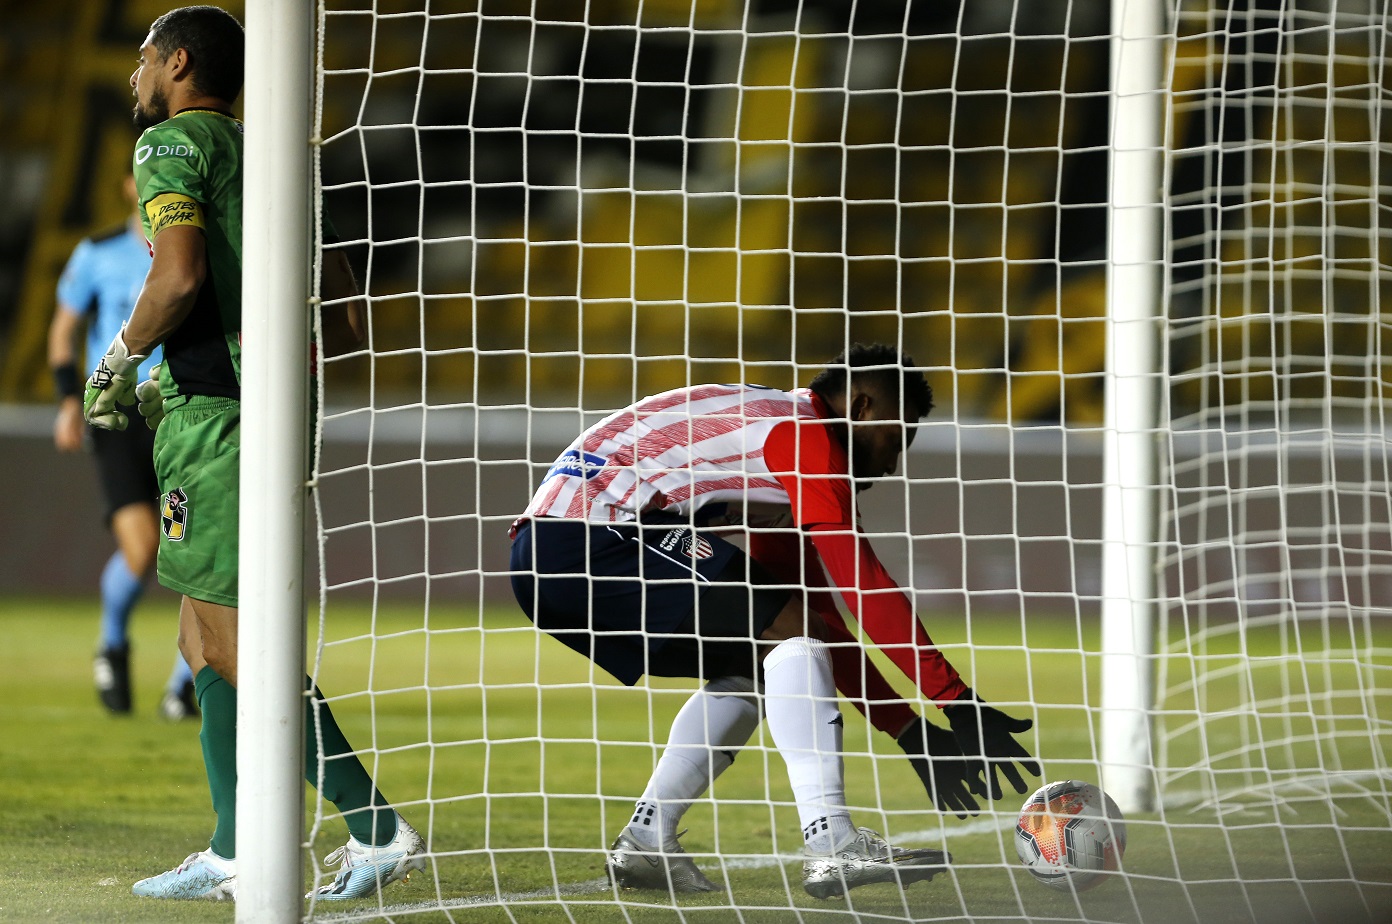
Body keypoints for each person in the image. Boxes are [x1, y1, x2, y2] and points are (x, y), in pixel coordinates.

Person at [82, 6, 425, 902]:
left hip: (221, 426)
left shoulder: (172, 146)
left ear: (180, 61)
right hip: (256, 407)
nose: (134, 75)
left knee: (238, 642)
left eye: (145, 57)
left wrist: (122, 362)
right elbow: (344, 309)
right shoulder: (280, 154)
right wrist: (238, 366)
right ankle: (236, 845)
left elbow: (179, 274)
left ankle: (377, 827)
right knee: (203, 638)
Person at [508, 342, 1040, 899]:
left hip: (546, 559)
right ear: (861, 408)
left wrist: (911, 733)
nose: (892, 463)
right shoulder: (802, 432)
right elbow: (864, 586)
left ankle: (648, 838)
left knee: (771, 657)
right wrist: (956, 700)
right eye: (897, 436)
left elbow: (816, 624)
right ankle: (832, 844)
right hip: (588, 539)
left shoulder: (775, 457)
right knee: (787, 638)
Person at [49, 167, 198, 721]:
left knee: (190, 547)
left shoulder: (194, 250)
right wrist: (69, 400)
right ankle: (112, 643)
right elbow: (63, 332)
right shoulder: (98, 251)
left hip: (179, 417)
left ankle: (185, 684)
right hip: (114, 414)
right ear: (129, 186)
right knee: (143, 550)